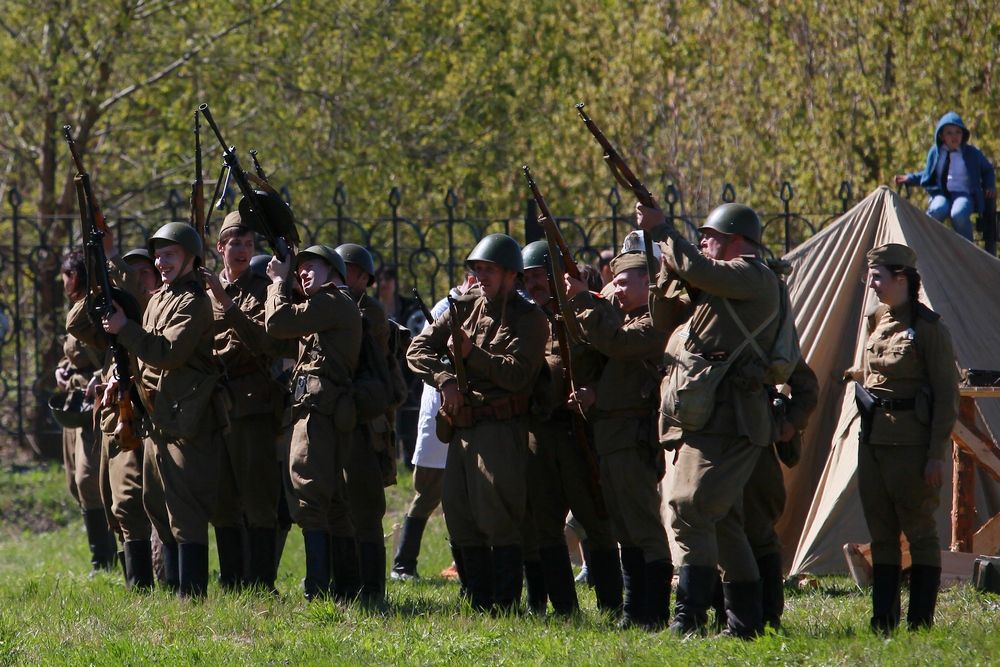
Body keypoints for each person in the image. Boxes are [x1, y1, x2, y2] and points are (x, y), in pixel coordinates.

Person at [639, 202, 780, 639]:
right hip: (705, 416)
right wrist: (665, 262)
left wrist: (662, 228)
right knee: (720, 519)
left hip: (734, 418)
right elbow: (665, 318)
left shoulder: (752, 275)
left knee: (691, 508)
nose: (702, 241)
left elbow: (700, 268)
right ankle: (744, 624)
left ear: (736, 240)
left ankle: (690, 617)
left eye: (709, 236)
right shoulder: (719, 285)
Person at [406, 233, 548, 613]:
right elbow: (417, 350)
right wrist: (446, 380)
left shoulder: (530, 319)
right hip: (462, 427)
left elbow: (518, 376)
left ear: (510, 274)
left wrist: (471, 354)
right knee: (459, 512)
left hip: (502, 427)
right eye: (477, 269)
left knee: (497, 515)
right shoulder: (462, 307)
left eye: (490, 270)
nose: (481, 277)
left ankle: (505, 603)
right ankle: (476, 599)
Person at [103, 222, 222, 598]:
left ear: (190, 256)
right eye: (159, 255)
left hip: (186, 415)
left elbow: (168, 353)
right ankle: (173, 590)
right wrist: (119, 379)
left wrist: (124, 328)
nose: (161, 261)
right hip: (157, 414)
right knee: (156, 503)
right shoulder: (159, 298)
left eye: (169, 254)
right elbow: (146, 357)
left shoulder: (194, 301)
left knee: (185, 509)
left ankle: (193, 595)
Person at [845, 243, 959, 633]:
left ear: (902, 278)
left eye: (877, 276)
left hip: (911, 446)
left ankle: (920, 623)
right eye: (869, 276)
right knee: (881, 531)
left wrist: (935, 455)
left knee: (920, 531)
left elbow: (947, 396)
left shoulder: (929, 329)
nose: (872, 284)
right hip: (874, 439)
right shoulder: (877, 319)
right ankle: (883, 621)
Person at [564, 251, 669, 629]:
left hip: (633, 435)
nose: (617, 290)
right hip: (609, 433)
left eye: (625, 283)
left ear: (648, 283)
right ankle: (634, 610)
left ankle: (654, 611)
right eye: (616, 282)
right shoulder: (620, 317)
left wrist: (582, 300)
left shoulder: (655, 322)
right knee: (625, 530)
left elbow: (618, 343)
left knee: (643, 527)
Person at [520, 240, 622, 617]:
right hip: (540, 432)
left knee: (596, 523)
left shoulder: (589, 308)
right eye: (527, 279)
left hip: (580, 431)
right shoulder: (524, 320)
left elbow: (618, 360)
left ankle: (612, 606)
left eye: (539, 277)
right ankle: (564, 609)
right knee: (545, 526)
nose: (534, 286)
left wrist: (595, 391)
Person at [264, 244, 362, 601]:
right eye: (299, 269)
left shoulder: (332, 301)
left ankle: (317, 589)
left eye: (312, 267)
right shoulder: (328, 306)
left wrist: (277, 282)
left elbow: (278, 323)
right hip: (320, 409)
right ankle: (347, 588)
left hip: (319, 413)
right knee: (331, 501)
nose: (302, 273)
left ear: (334, 272)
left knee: (309, 498)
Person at [200, 211, 285, 593]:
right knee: (221, 497)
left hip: (252, 405)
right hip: (213, 406)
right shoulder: (201, 289)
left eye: (249, 245)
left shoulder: (262, 288)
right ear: (221, 247)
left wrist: (227, 306)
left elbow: (263, 343)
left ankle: (261, 582)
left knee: (258, 496)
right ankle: (232, 582)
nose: (243, 251)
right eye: (236, 244)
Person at [69, 242, 160, 590]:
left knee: (138, 500)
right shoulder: (116, 328)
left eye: (143, 274)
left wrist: (115, 261)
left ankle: (156, 583)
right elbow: (76, 323)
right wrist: (100, 283)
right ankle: (137, 583)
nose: (137, 281)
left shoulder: (151, 315)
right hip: (115, 419)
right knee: (115, 502)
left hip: (148, 416)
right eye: (130, 276)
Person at [391, 271, 477, 582]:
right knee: (429, 490)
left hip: (472, 408)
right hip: (439, 403)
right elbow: (423, 354)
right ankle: (403, 564)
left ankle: (465, 564)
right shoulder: (446, 307)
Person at [336, 242, 407, 606]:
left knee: (365, 508)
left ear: (364, 278)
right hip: (338, 419)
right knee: (339, 507)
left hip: (366, 422)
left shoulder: (370, 313)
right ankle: (345, 587)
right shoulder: (330, 306)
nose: (339, 275)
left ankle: (373, 592)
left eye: (346, 270)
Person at [741, 357, 818, 630]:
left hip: (755, 440)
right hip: (710, 440)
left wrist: (793, 422)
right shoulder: (702, 324)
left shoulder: (765, 327)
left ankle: (768, 616)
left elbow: (805, 383)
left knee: (759, 528)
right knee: (715, 529)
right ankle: (724, 613)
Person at [55, 251, 116, 573]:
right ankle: (101, 556)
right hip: (74, 399)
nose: (63, 282)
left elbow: (105, 351)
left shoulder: (92, 309)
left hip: (94, 398)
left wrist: (95, 377)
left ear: (75, 276)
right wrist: (62, 369)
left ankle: (105, 559)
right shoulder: (76, 307)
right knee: (75, 482)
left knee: (89, 478)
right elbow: (74, 353)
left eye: (65, 275)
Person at [894, 111, 996, 242]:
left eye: (958, 132)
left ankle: (968, 251)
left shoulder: (972, 153)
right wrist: (909, 178)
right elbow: (927, 175)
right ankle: (927, 244)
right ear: (942, 136)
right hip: (941, 193)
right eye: (949, 133)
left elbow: (987, 169)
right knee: (937, 209)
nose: (954, 136)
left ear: (963, 134)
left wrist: (989, 186)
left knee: (958, 214)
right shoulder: (936, 153)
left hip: (963, 194)